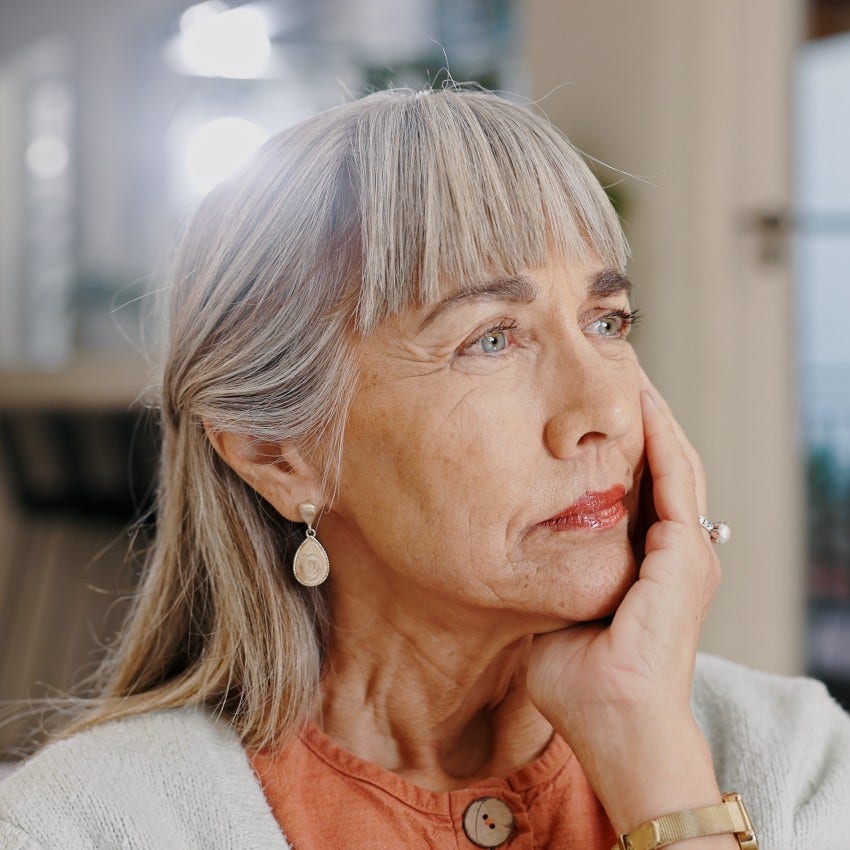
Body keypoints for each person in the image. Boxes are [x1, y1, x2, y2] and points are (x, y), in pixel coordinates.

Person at [1, 87, 849, 850]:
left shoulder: (793, 754)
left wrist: (655, 765)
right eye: (490, 339)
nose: (604, 412)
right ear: (276, 454)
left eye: (607, 321)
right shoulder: (79, 827)